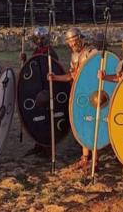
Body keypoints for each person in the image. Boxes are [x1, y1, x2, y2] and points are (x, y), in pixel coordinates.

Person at [48, 28, 97, 170]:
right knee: (81, 125)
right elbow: (71, 75)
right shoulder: (74, 56)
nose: (73, 45)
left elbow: (94, 73)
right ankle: (85, 157)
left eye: (74, 41)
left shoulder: (91, 52)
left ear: (81, 39)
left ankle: (95, 160)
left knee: (92, 125)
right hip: (78, 94)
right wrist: (55, 77)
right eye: (70, 42)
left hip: (91, 93)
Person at [21, 27, 60, 157]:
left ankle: (48, 149)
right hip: (38, 88)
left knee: (48, 119)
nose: (39, 41)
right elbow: (33, 67)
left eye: (41, 39)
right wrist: (25, 60)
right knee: (37, 117)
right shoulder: (37, 51)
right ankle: (38, 145)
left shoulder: (51, 52)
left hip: (48, 88)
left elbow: (55, 69)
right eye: (37, 39)